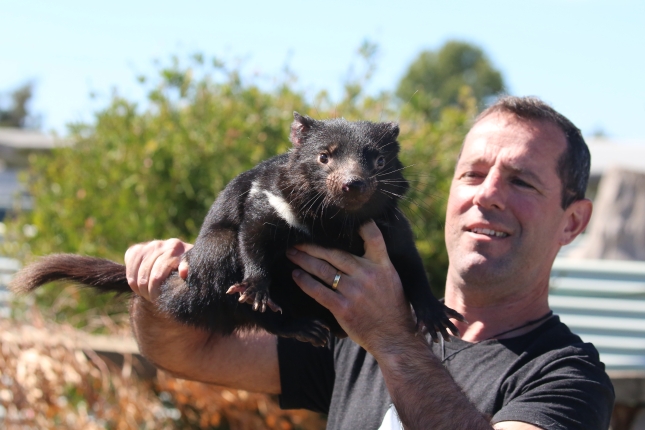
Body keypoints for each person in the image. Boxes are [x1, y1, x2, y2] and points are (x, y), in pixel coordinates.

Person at [124, 96, 615, 429]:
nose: (487, 196)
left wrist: (391, 338)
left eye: (521, 182)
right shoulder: (351, 321)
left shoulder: (566, 377)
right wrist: (153, 292)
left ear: (573, 223)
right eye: (473, 174)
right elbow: (188, 352)